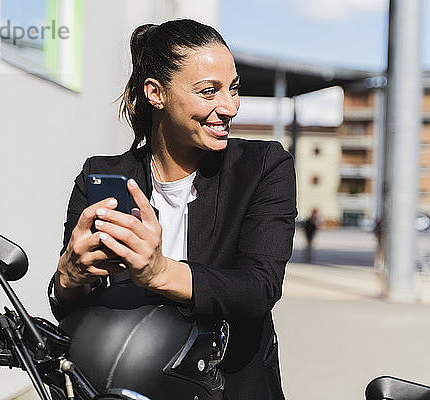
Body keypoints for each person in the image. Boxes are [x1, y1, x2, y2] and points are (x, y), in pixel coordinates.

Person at [49, 19, 297, 400]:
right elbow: (75, 313)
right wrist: (69, 276)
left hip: (231, 388)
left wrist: (159, 271)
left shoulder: (263, 167)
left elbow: (258, 289)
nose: (229, 107)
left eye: (233, 89)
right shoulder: (100, 176)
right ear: (156, 93)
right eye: (209, 91)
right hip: (118, 387)